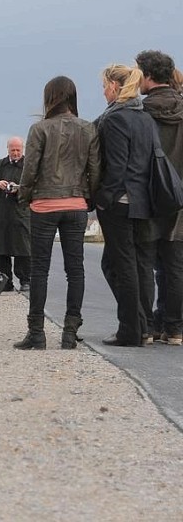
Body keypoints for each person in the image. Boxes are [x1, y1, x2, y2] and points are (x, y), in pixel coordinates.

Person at [16, 76, 101, 350]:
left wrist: (24, 195)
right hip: (76, 205)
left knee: (39, 269)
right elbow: (95, 169)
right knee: (75, 270)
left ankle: (37, 333)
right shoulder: (87, 128)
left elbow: (30, 170)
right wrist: (89, 199)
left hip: (44, 205)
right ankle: (70, 331)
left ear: (49, 97)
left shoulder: (39, 129)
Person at [94, 65, 157, 347]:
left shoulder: (115, 119)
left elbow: (116, 168)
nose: (103, 91)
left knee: (121, 265)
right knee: (138, 265)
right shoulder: (143, 116)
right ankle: (142, 326)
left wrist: (102, 200)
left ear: (115, 87)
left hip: (120, 202)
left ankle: (131, 330)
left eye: (105, 86)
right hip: (143, 201)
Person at [136, 50, 183, 345]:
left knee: (145, 262)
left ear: (148, 75)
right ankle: (175, 328)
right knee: (175, 264)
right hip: (180, 196)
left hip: (149, 194)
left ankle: (147, 327)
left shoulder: (141, 114)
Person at [0, 137, 31, 292]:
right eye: (13, 150)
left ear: (22, 149)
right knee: (1, 249)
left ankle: (25, 280)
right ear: (7, 149)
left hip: (21, 213)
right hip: (1, 214)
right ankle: (6, 281)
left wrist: (19, 189)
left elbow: (34, 186)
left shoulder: (28, 166)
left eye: (18, 150)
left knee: (23, 249)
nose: (16, 153)